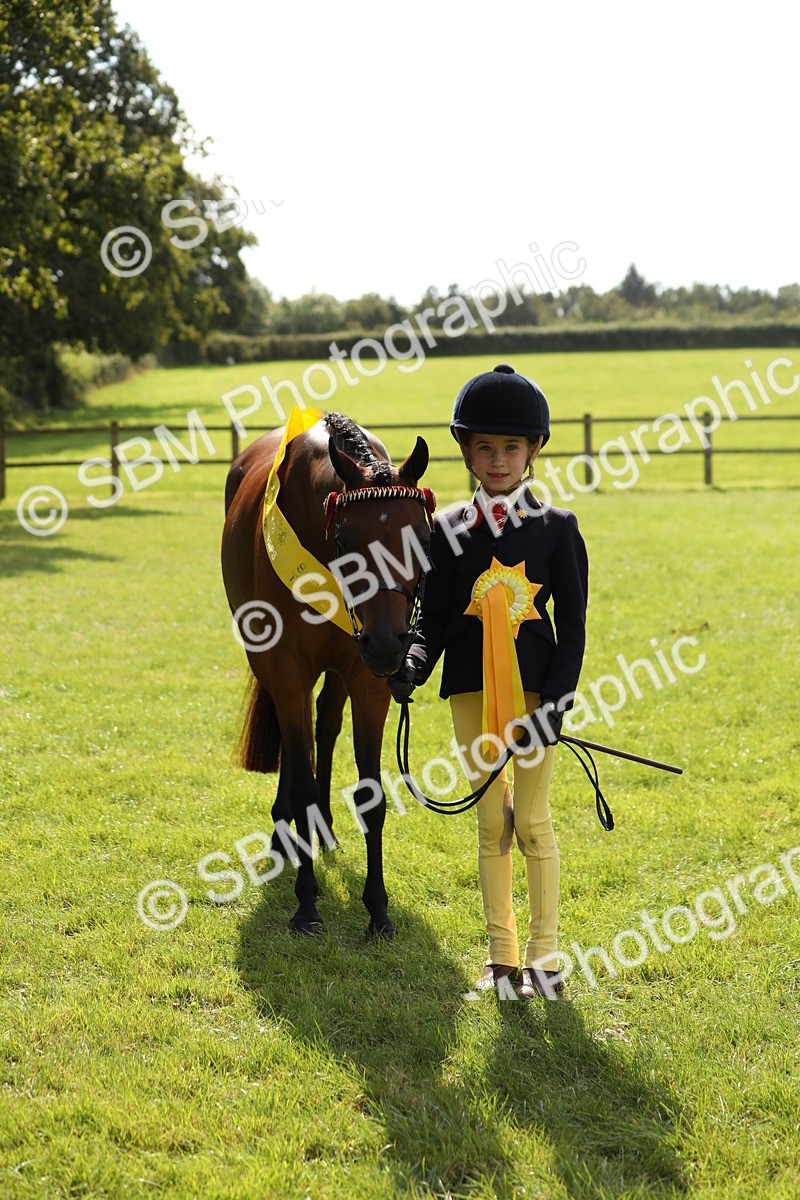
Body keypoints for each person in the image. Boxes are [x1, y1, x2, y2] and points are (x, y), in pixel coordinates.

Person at [389, 364, 588, 999]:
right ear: (467, 451)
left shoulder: (558, 527)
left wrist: (555, 704)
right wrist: (414, 664)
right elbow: (434, 618)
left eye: (511, 448)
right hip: (472, 694)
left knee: (530, 819)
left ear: (533, 451)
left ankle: (546, 959)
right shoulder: (446, 530)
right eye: (484, 448)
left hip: (532, 697)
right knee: (491, 823)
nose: (497, 461)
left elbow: (574, 626)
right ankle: (501, 958)